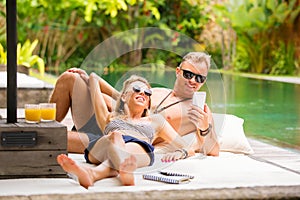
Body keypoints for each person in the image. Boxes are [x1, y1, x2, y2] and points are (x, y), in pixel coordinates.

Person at [50, 52, 219, 156]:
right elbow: (120, 100)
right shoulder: (157, 92)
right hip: (107, 121)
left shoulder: (198, 109)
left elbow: (213, 150)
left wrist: (205, 128)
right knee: (69, 79)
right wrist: (89, 82)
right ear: (178, 71)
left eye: (199, 78)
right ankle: (46, 124)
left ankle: (40, 133)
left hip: (114, 139)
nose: (193, 81)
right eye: (188, 74)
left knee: (47, 138)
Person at [57, 74, 193, 188]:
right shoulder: (109, 116)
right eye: (137, 89)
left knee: (122, 145)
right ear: (123, 96)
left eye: (147, 93)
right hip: (105, 146)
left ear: (148, 104)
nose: (142, 93)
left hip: (138, 150)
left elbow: (186, 147)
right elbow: (94, 78)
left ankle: (93, 174)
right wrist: (118, 96)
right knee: (115, 136)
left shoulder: (156, 121)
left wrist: (180, 153)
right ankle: (125, 171)